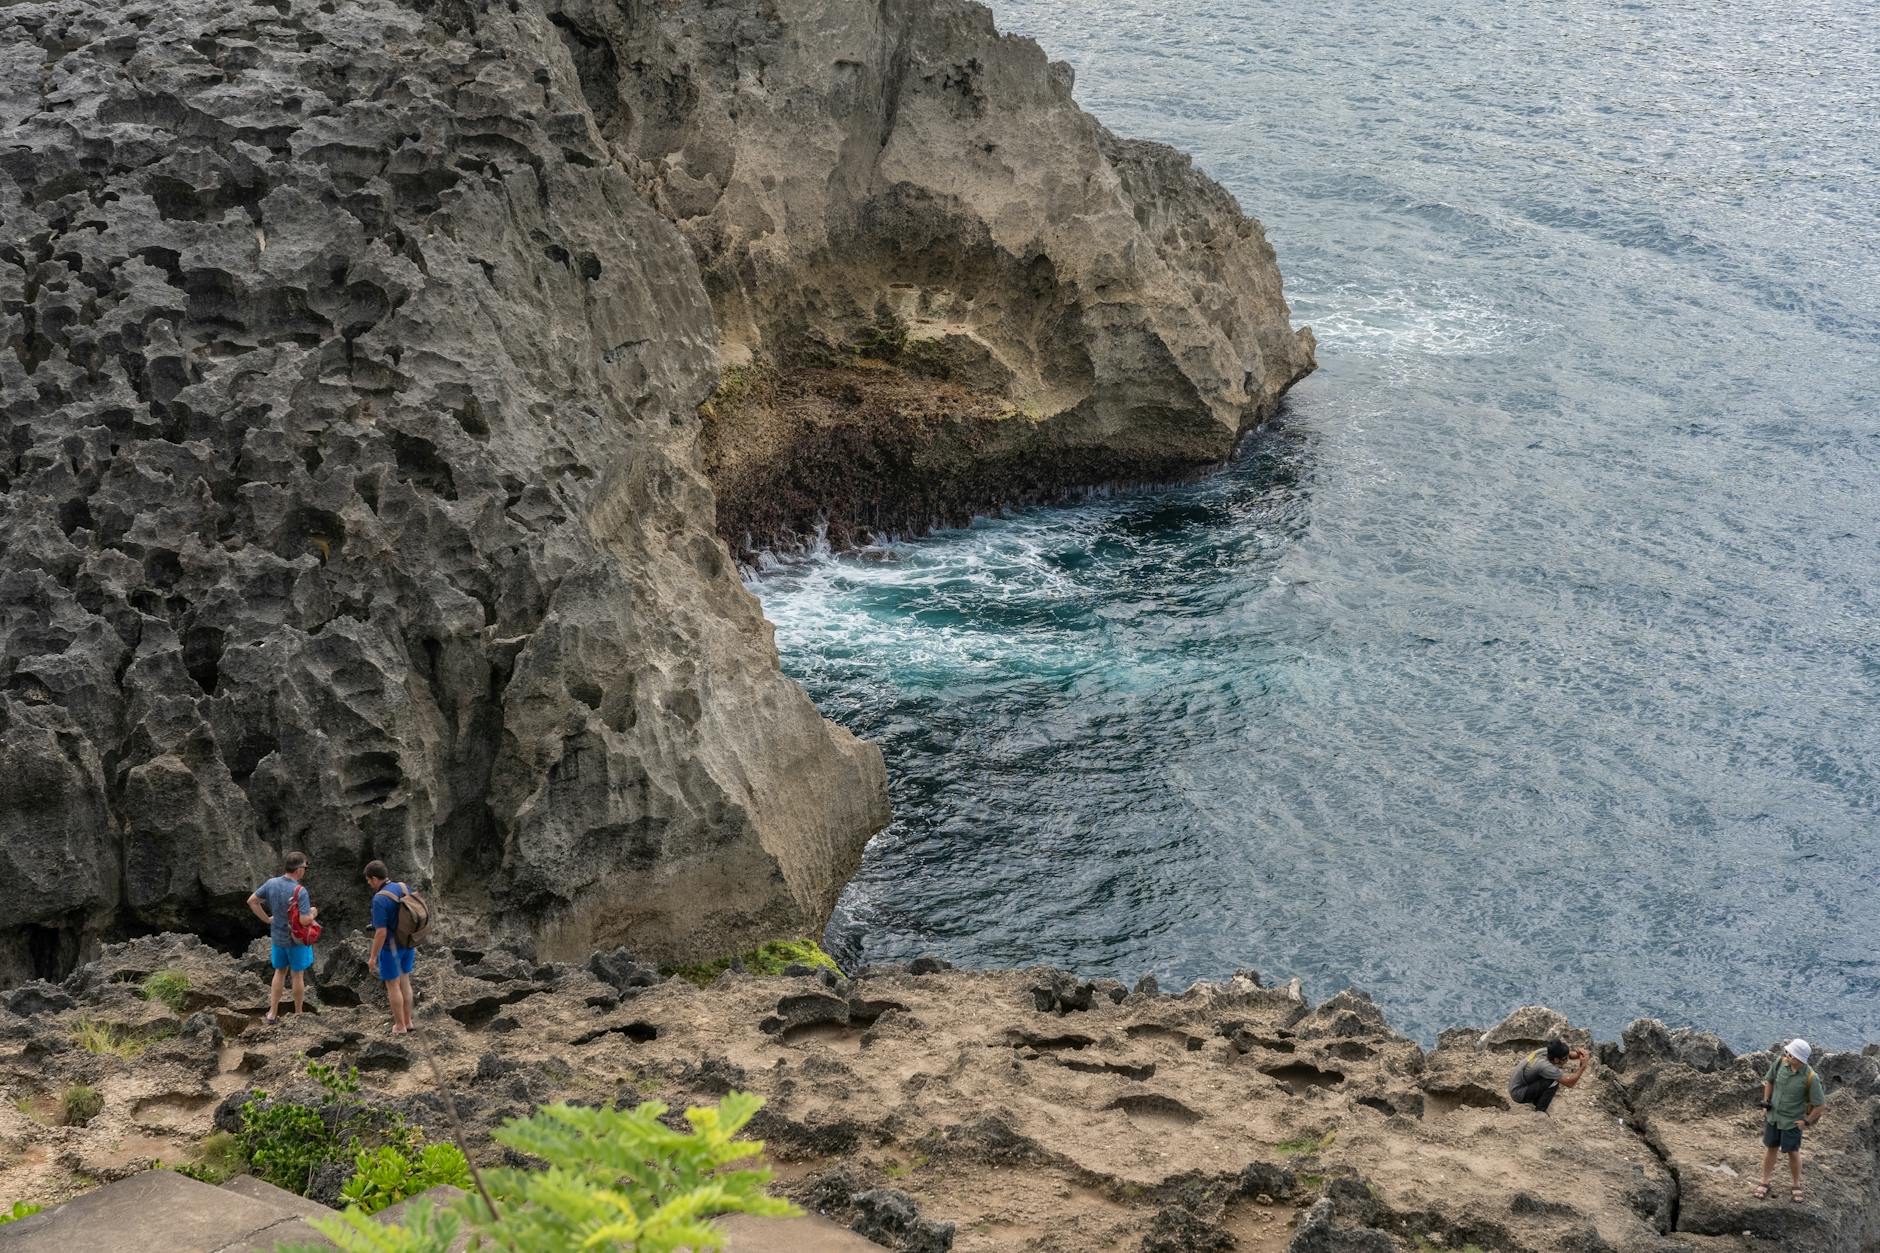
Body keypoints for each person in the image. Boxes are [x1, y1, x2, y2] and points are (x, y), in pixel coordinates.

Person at [246, 851, 317, 1024]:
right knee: (297, 975)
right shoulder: (300, 891)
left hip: (278, 937)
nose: (305, 871)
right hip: (296, 940)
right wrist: (314, 912)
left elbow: (252, 901)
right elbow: (304, 919)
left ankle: (272, 1013)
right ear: (299, 869)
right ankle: (298, 1014)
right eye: (305, 868)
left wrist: (267, 919)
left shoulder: (271, 883)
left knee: (279, 973)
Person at [1754, 1038, 1827, 1202]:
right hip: (1774, 1117)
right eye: (1787, 1053)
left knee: (1793, 1152)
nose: (1786, 1055)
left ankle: (1796, 1184)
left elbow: (1820, 1105)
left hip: (1792, 1122)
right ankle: (1765, 1181)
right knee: (1770, 1148)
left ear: (1798, 1058)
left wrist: (1806, 1122)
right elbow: (1770, 1081)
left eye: (1790, 1054)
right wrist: (1766, 1102)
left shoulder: (1810, 1078)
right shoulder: (1780, 1063)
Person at [364, 860, 415, 1036]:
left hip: (390, 948)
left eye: (369, 881)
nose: (369, 884)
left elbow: (380, 933)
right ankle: (408, 1022)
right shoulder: (402, 887)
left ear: (375, 878)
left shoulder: (379, 899)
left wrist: (372, 957)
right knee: (405, 981)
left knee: (393, 985)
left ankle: (399, 1026)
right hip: (408, 943)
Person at [1508, 1037, 1590, 1113]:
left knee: (1550, 1077)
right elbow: (1569, 1083)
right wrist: (1582, 1067)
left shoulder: (1548, 1051)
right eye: (1565, 1059)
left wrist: (1579, 1054)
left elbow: (1568, 1054)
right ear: (1556, 1060)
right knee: (1554, 1081)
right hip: (1518, 1094)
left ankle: (1536, 1100)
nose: (1567, 1060)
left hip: (1517, 1084)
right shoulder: (1546, 1067)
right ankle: (1540, 1110)